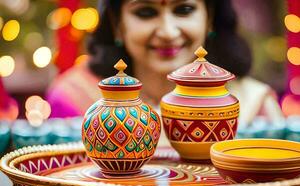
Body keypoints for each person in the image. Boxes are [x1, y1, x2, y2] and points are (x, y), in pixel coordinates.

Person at [46, 0, 284, 128]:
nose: (168, 32)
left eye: (184, 9)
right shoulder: (77, 98)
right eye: (146, 12)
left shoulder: (254, 105)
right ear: (116, 22)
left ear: (209, 18)